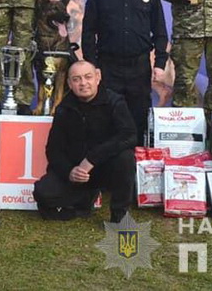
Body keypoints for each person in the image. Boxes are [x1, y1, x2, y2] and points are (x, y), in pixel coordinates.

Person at [82, 0, 169, 145]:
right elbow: (88, 33)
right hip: (107, 67)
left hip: (139, 67)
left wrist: (160, 64)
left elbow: (160, 32)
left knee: (138, 120)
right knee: (107, 118)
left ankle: (135, 165)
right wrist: (92, 67)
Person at [33, 60, 137, 223]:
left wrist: (92, 159)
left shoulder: (115, 101)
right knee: (42, 192)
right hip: (76, 173)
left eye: (88, 77)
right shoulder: (64, 108)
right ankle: (82, 202)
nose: (83, 83)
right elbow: (53, 149)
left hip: (104, 168)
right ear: (69, 83)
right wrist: (70, 171)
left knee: (126, 158)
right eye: (76, 79)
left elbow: (129, 136)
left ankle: (119, 216)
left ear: (98, 77)